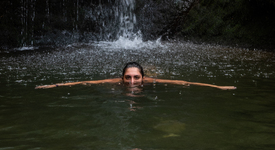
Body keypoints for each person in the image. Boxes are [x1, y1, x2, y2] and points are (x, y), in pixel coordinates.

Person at [35, 61, 236, 90]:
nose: (131, 82)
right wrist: (54, 86)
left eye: (136, 78)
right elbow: (86, 82)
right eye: (128, 78)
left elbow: (183, 82)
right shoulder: (115, 82)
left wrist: (217, 87)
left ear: (143, 78)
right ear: (121, 78)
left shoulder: (150, 80)